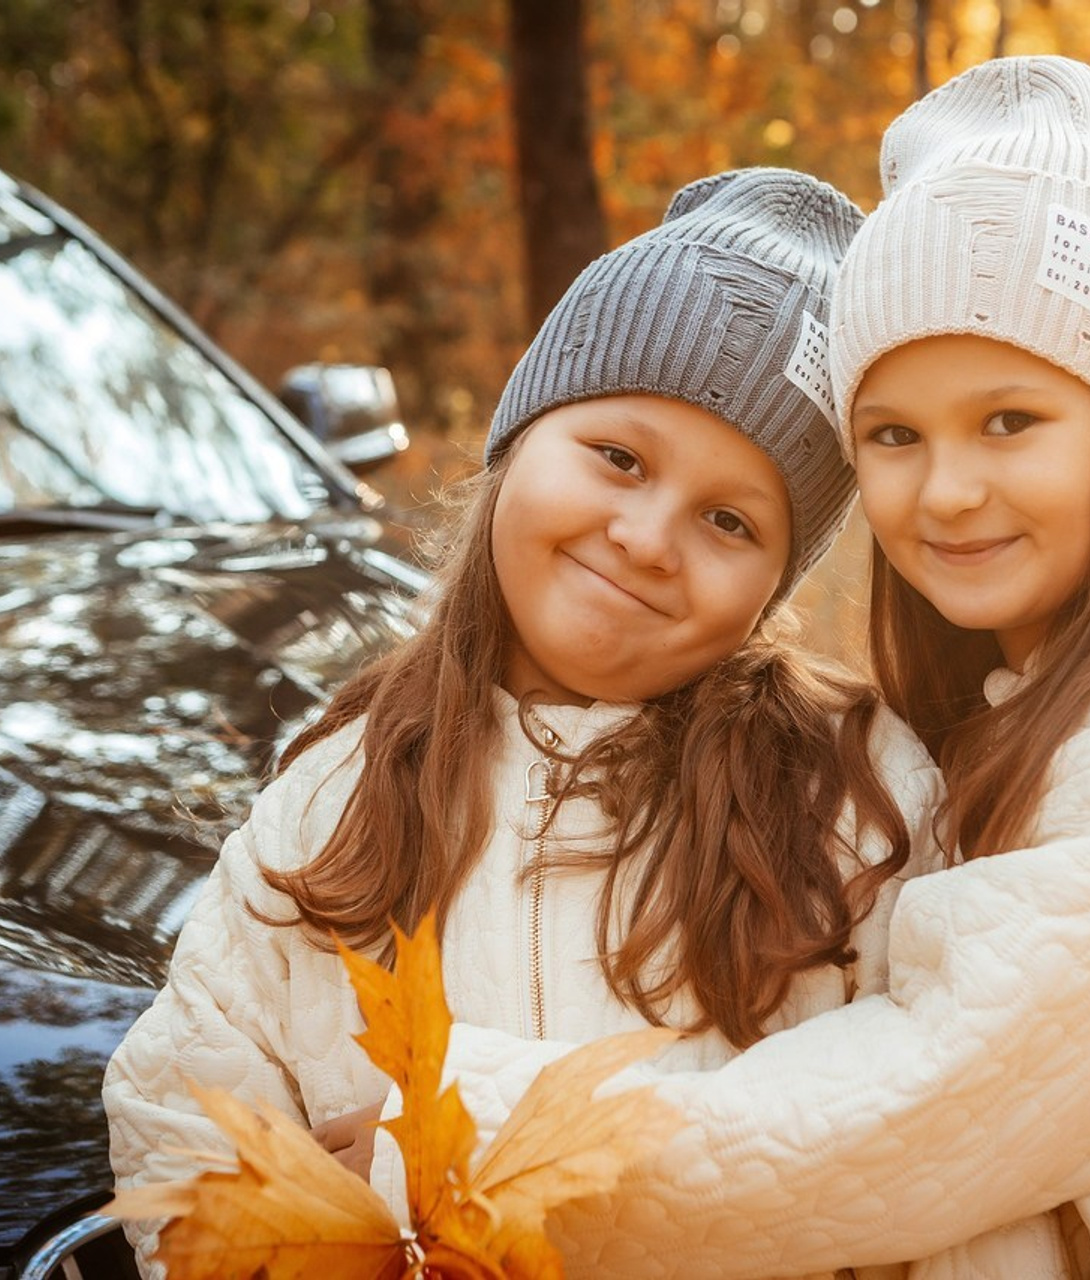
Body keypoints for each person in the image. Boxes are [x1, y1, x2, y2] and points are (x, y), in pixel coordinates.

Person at [422, 57, 1090, 1278]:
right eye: (891, 434)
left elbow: (907, 1113)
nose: (945, 489)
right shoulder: (1007, 709)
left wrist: (469, 1122)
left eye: (1008, 420)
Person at [103, 167, 944, 1278]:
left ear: (771, 586)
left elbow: (904, 1125)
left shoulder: (847, 799)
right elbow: (186, 1108)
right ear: (516, 443)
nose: (646, 535)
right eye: (618, 456)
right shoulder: (336, 788)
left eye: (730, 518)